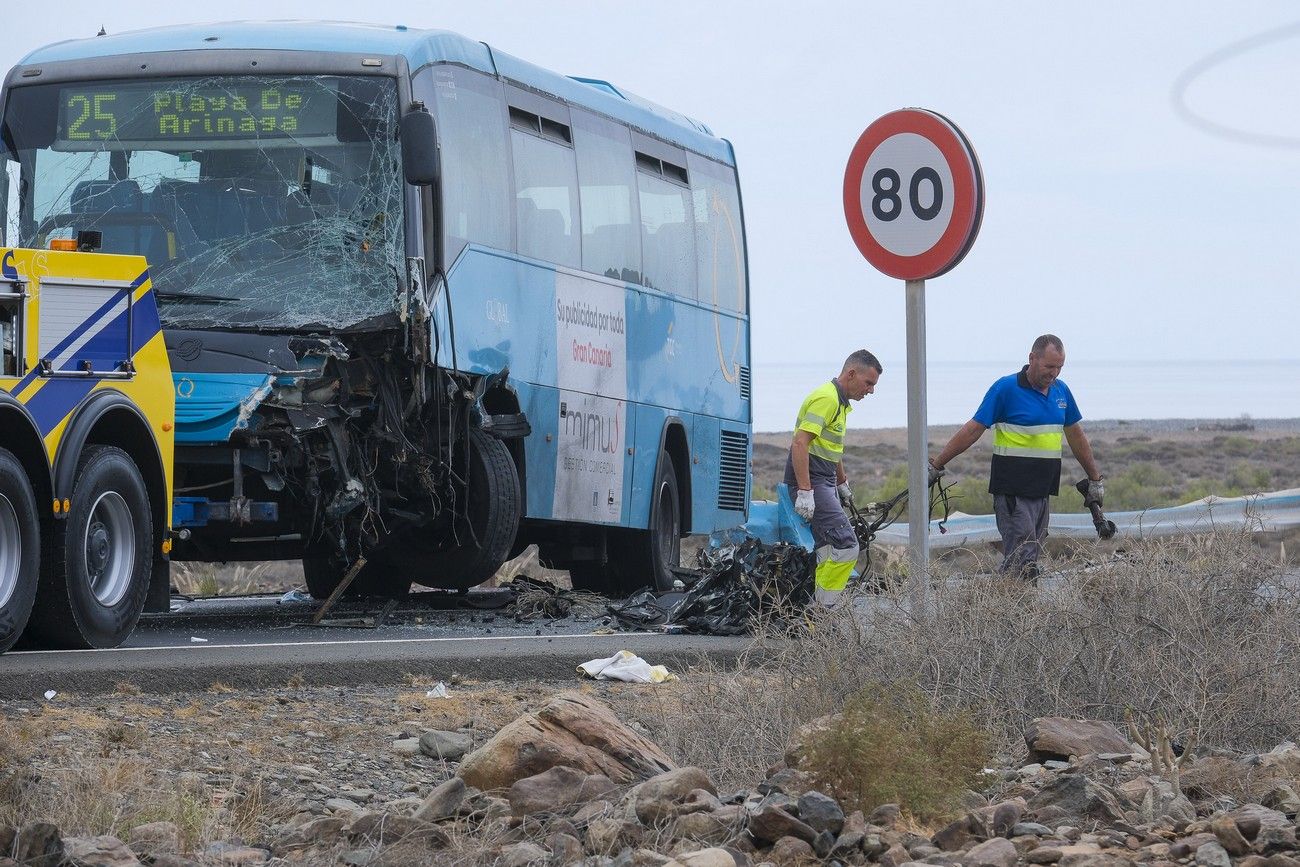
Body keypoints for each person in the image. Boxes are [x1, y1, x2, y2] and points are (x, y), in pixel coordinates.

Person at [929, 334, 1103, 580]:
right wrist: (937, 464)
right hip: (1013, 492)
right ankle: (1015, 611)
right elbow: (973, 429)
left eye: (1060, 367)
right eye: (1049, 366)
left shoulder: (1061, 392)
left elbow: (1076, 436)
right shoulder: (1005, 389)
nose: (1054, 373)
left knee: (1025, 559)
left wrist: (1095, 479)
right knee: (1023, 560)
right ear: (1032, 358)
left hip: (1043, 493)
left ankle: (1007, 608)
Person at [785, 349, 883, 605]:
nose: (871, 391)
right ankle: (822, 611)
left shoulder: (839, 404)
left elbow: (832, 448)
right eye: (869, 383)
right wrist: (805, 491)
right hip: (813, 482)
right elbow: (800, 443)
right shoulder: (827, 399)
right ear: (851, 374)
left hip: (824, 481)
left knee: (828, 549)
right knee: (846, 545)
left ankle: (816, 609)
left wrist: (841, 482)